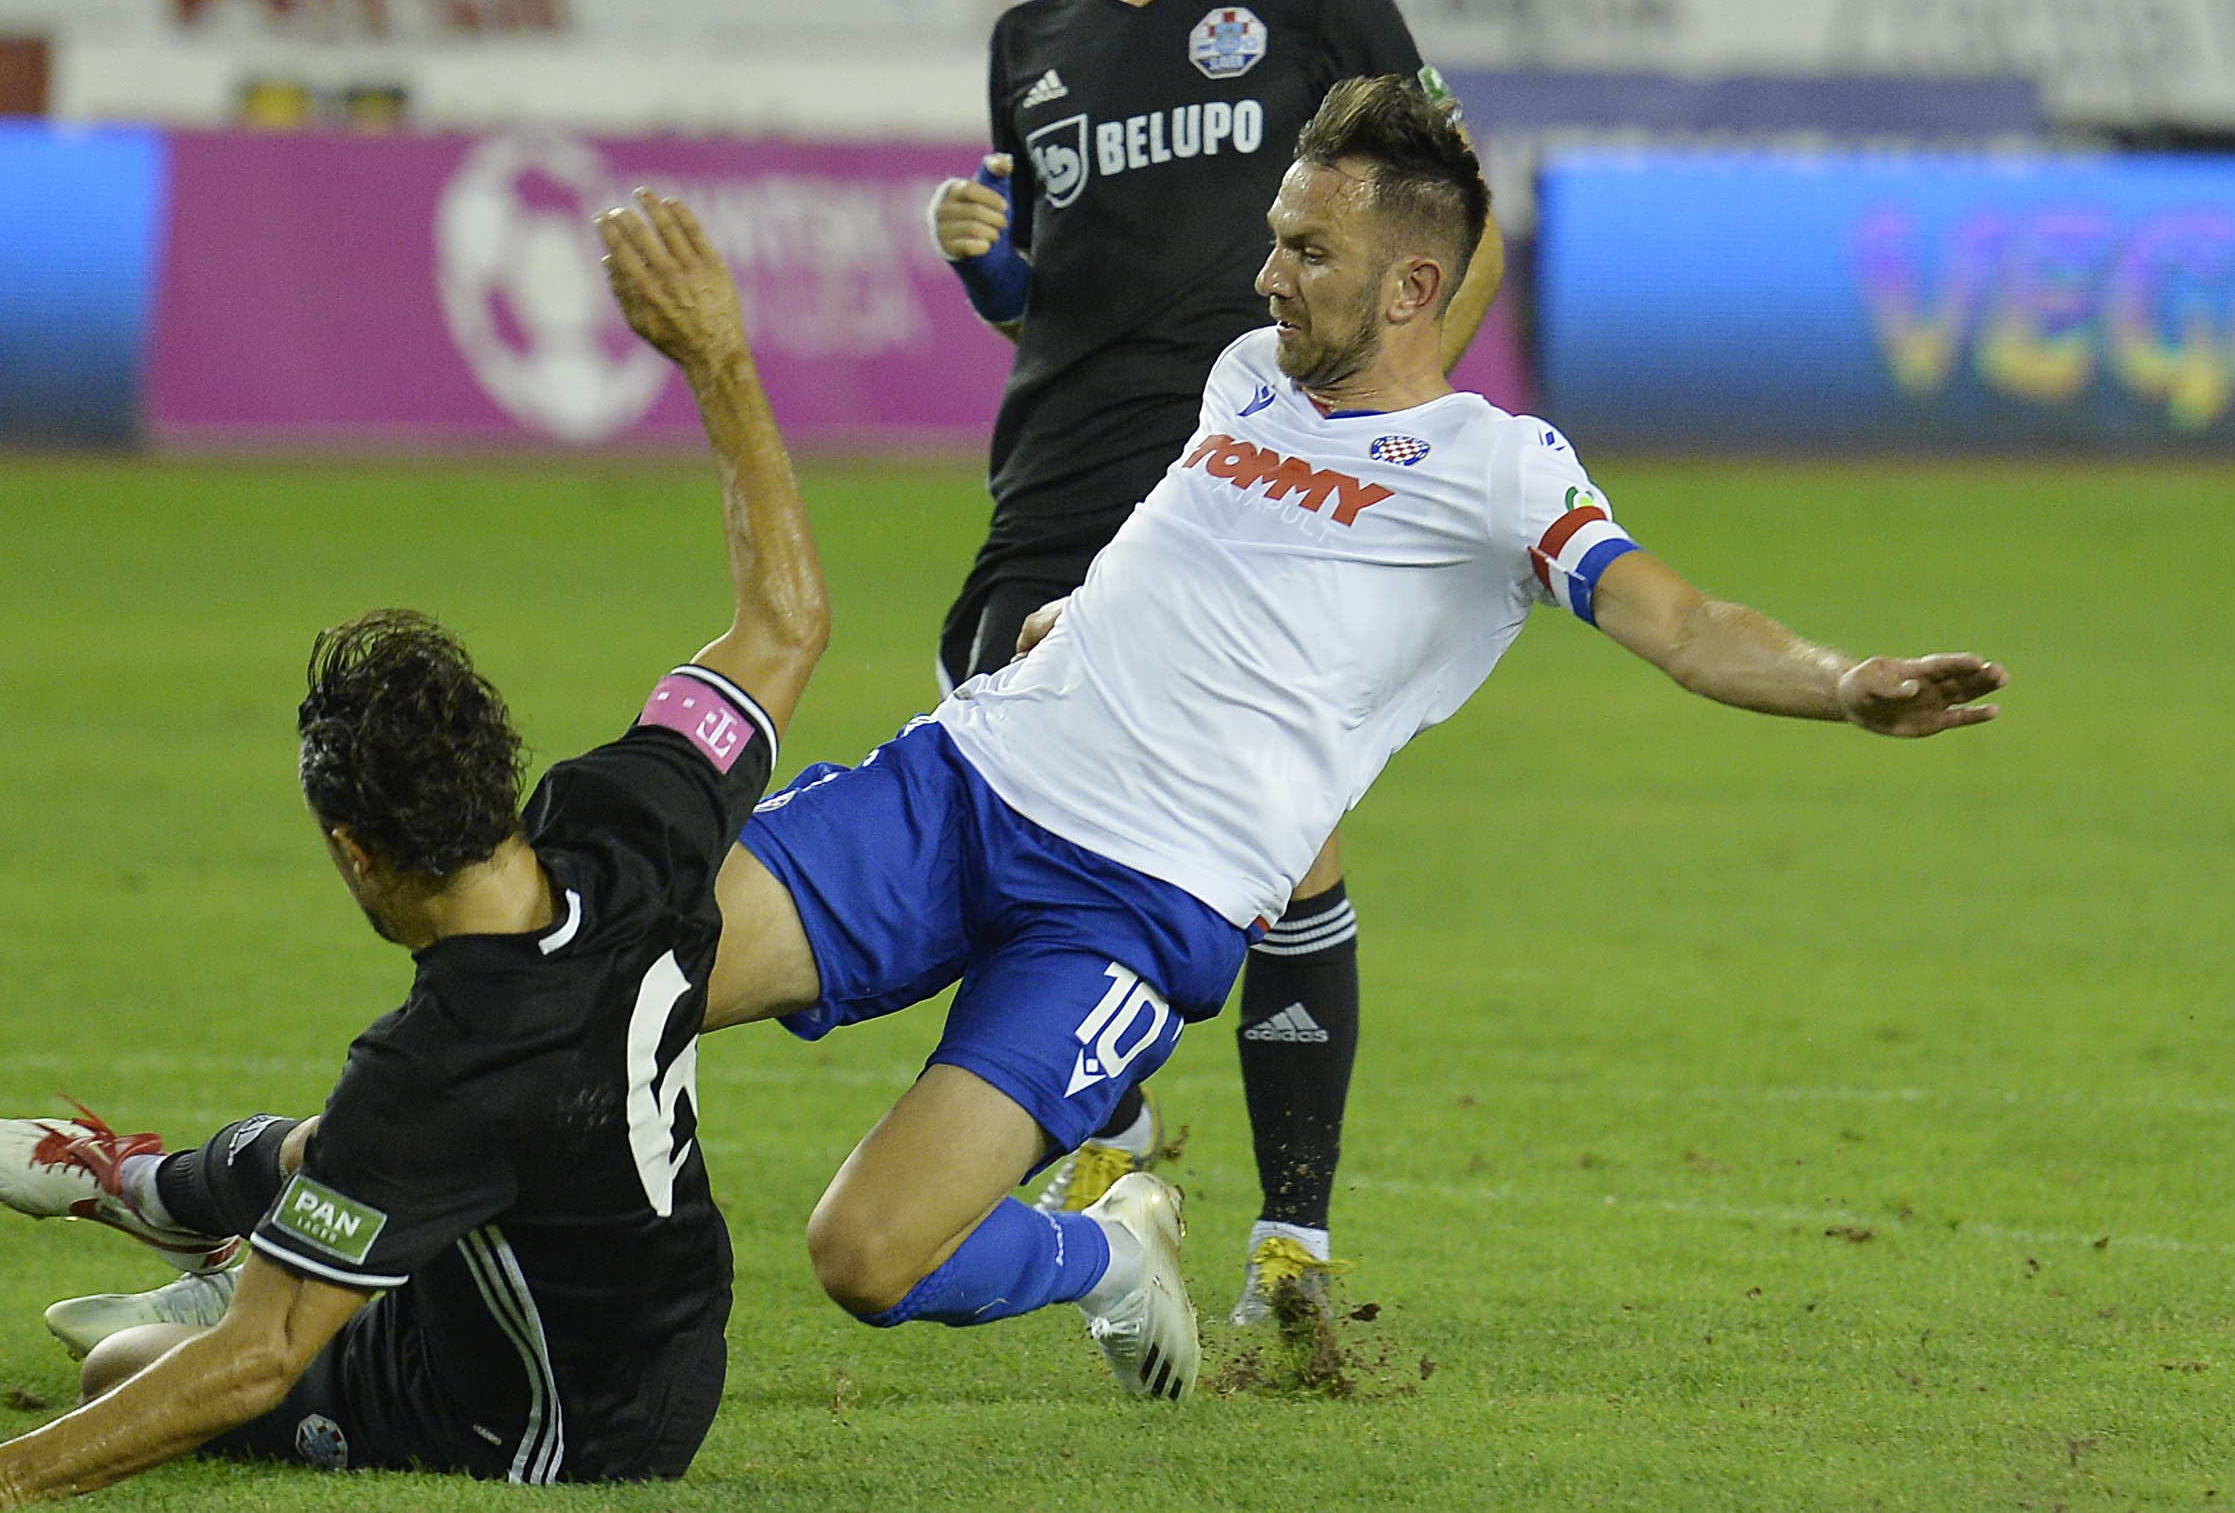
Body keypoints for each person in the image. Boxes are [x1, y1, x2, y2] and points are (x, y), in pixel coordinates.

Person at [699, 73, 2005, 1398]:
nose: (1266, 275)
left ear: (1409, 289)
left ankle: (1102, 1258)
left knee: (864, 1254)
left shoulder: (1493, 465)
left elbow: (1682, 623)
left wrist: (1841, 682)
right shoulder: (1244, 378)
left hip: (1133, 905)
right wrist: (1075, 622)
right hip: (962, 782)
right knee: (633, 964)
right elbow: (1201, 558)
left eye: (1306, 250)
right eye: (1274, 235)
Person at [0, 193, 828, 1507]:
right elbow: (782, 626)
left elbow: (251, 1367)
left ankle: (221, 1235)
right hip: (631, 1313)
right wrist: (718, 358)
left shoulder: (440, 1067)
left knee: (122, 1369)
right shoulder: (631, 819)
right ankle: (165, 1190)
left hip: (559, 1425)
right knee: (352, 1160)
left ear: (355, 851)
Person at [926, 0, 1510, 1323]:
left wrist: (1393, 429)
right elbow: (1060, 295)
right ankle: (1118, 1211)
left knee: (1289, 853)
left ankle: (1290, 1251)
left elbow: (1465, 225)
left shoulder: (1320, 2)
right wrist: (995, 273)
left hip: (1247, 502)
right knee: (1034, 855)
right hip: (1051, 494)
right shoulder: (1026, 48)